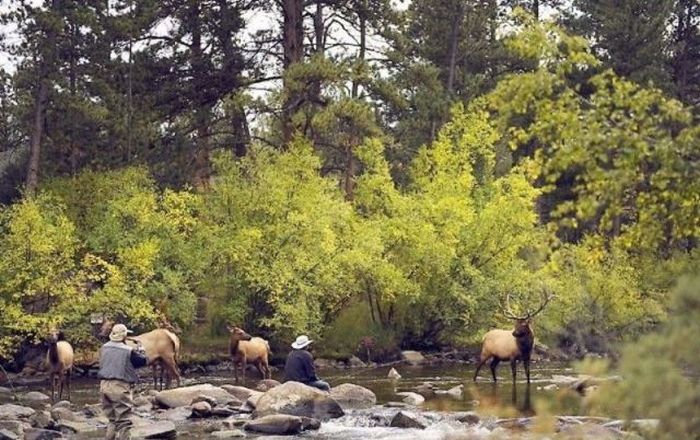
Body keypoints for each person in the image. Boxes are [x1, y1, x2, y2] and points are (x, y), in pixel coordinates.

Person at [98, 323, 148, 440]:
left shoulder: (104, 347)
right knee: (124, 421)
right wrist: (141, 351)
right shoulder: (128, 350)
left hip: (104, 386)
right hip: (119, 387)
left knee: (112, 420)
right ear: (124, 336)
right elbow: (142, 362)